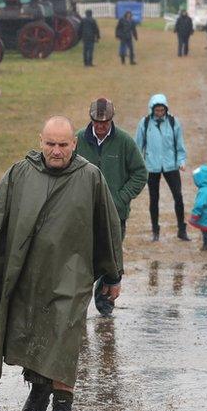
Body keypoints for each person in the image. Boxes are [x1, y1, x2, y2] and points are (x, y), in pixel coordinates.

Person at [0, 116, 123, 411]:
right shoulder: (21, 173)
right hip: (28, 272)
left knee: (65, 339)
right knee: (27, 333)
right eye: (50, 144)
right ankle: (39, 383)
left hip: (71, 277)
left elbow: (107, 226)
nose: (56, 151)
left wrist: (113, 274)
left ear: (74, 144)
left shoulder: (90, 178)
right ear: (40, 141)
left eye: (63, 145)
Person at [75, 98, 146, 316]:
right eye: (96, 121)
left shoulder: (124, 141)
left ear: (111, 120)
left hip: (116, 214)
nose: (100, 126)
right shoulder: (77, 140)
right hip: (83, 214)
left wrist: (120, 198)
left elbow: (140, 173)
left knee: (110, 258)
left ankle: (105, 303)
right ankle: (78, 306)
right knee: (82, 260)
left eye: (104, 122)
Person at [134, 94, 189, 241]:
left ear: (166, 109)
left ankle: (181, 230)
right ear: (152, 110)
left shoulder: (173, 122)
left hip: (171, 165)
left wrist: (181, 161)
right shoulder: (144, 123)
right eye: (157, 110)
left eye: (161, 110)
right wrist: (137, 166)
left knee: (178, 197)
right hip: (151, 167)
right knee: (154, 199)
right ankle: (155, 231)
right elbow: (138, 146)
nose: (159, 113)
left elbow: (180, 145)